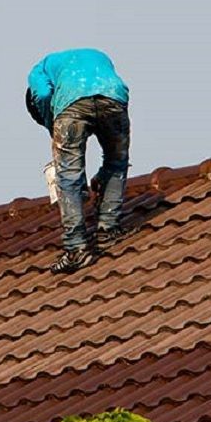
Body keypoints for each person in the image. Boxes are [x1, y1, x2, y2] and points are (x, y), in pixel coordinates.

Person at [26, 48, 132, 273]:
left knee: (68, 176)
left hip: (72, 107)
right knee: (116, 161)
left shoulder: (38, 70)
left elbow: (43, 96)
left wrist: (52, 125)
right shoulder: (94, 55)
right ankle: (108, 231)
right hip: (114, 97)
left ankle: (76, 250)